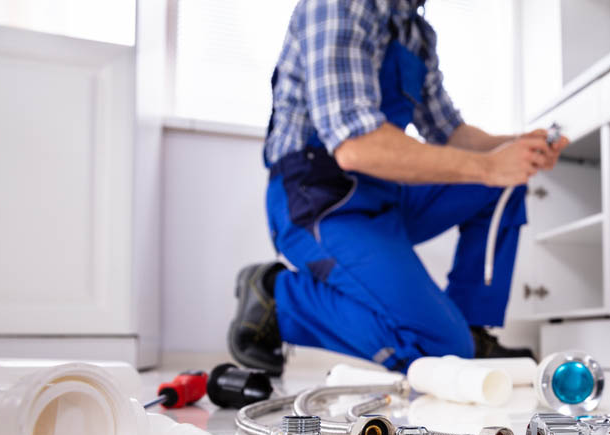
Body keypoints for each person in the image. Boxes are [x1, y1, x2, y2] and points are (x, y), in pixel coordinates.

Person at [227, 0, 569, 376]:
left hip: (383, 192)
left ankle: (472, 333)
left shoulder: (416, 33)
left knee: (504, 186)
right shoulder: (339, 6)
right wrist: (490, 165)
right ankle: (280, 300)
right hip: (318, 198)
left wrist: (518, 148)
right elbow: (356, 147)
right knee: (440, 348)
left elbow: (450, 133)